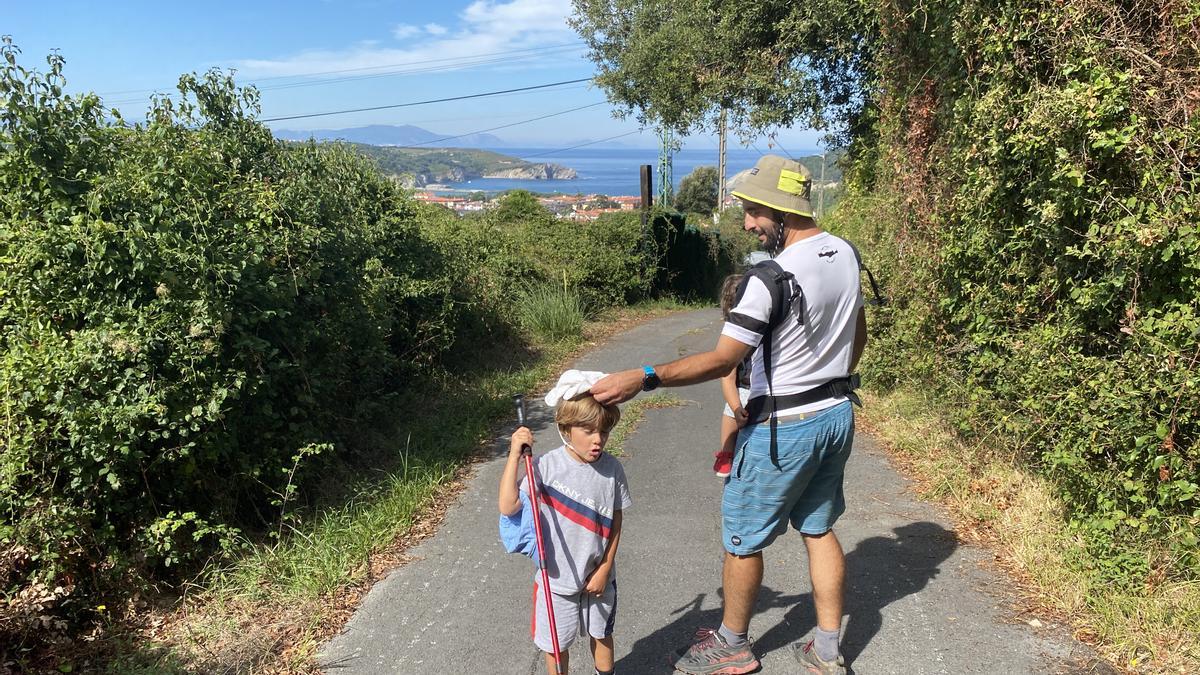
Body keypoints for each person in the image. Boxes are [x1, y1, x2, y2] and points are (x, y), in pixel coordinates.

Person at [591, 155, 867, 675]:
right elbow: (858, 332)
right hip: (835, 413)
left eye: (753, 212)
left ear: (781, 210)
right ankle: (828, 648)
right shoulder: (845, 253)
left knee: (741, 539)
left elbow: (722, 359)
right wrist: (835, 375)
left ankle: (732, 645)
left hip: (782, 429)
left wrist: (643, 377)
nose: (747, 223)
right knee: (818, 527)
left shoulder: (771, 277)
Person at [499, 374, 632, 675]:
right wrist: (514, 455)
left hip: (599, 578)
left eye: (604, 432)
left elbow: (617, 518)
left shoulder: (612, 469)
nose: (598, 440)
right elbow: (509, 506)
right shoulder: (545, 467)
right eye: (588, 430)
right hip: (556, 583)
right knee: (557, 647)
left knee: (602, 635)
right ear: (565, 429)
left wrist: (605, 567)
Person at [713, 273, 751, 478]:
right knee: (732, 408)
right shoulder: (733, 334)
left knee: (733, 407)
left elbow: (726, 376)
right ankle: (727, 453)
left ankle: (728, 453)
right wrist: (736, 407)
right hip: (749, 389)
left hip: (758, 389)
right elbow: (727, 375)